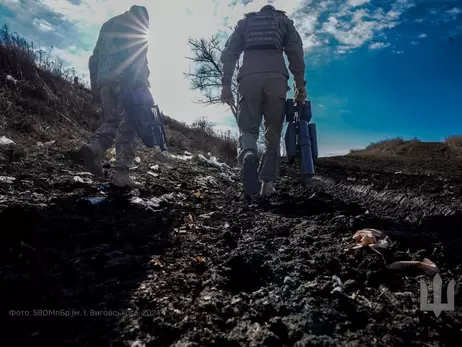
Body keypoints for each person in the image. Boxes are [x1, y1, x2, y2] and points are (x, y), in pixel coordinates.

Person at [220, 5, 307, 198]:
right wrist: (300, 85)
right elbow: (295, 51)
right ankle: (267, 184)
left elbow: (230, 52)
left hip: (249, 77)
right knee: (273, 132)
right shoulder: (283, 21)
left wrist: (226, 84)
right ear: (273, 11)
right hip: (276, 78)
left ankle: (249, 153)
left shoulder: (245, 22)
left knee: (248, 128)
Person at [81, 5, 151, 188]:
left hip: (105, 81)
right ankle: (121, 173)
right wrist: (142, 82)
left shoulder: (108, 25)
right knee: (130, 125)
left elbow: (94, 57)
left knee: (111, 121)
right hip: (127, 81)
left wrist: (96, 84)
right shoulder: (137, 27)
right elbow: (138, 59)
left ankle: (94, 148)